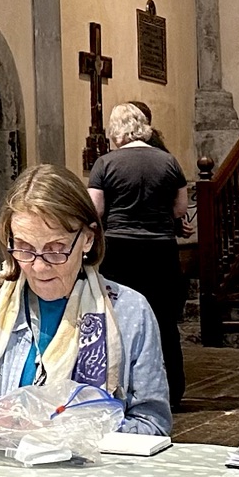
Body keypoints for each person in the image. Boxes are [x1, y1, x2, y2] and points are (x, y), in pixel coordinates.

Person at [0, 163, 171, 435]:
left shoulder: (129, 311)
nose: (39, 267)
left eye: (56, 250)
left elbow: (152, 422)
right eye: (24, 248)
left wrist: (78, 431)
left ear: (88, 239)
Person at [87, 102, 192, 408]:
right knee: (164, 319)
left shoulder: (105, 163)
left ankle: (120, 388)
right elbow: (180, 209)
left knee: (119, 317)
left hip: (119, 249)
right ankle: (173, 390)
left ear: (116, 131)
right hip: (161, 249)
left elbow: (95, 210)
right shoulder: (168, 161)